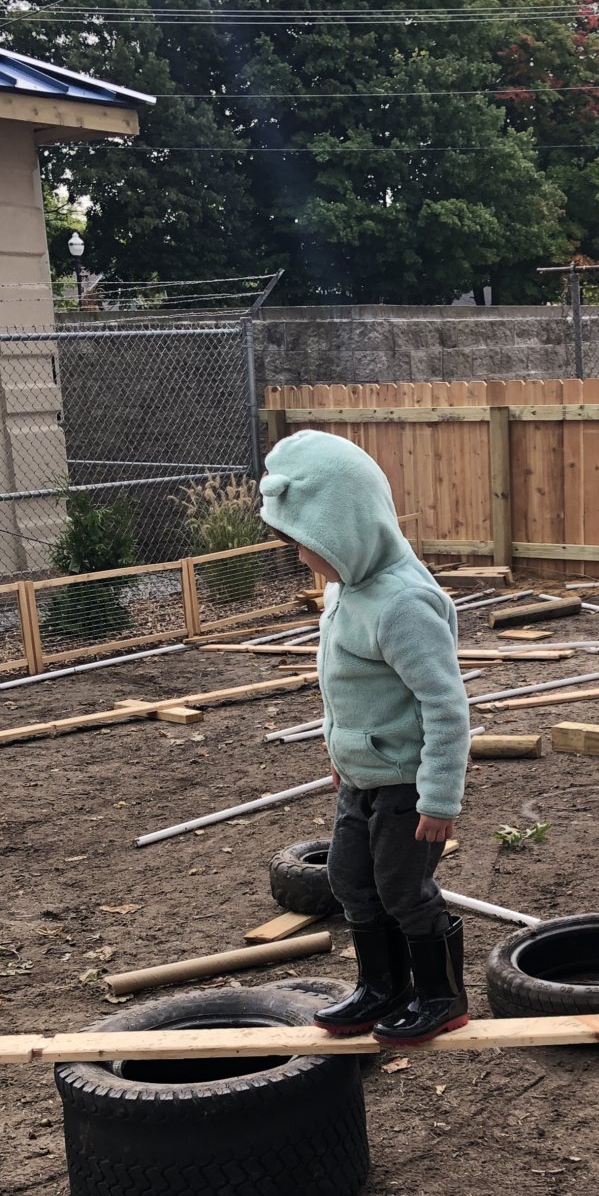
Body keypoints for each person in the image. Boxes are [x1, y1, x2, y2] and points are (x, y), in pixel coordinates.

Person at [259, 430, 471, 1042]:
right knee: (352, 882)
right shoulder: (345, 588)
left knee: (402, 890)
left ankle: (441, 996)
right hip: (361, 776)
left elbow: (445, 704)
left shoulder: (402, 603)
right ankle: (382, 988)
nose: (302, 558)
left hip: (407, 782)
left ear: (346, 527)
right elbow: (349, 687)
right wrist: (340, 752)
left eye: (308, 544)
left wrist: (439, 797)